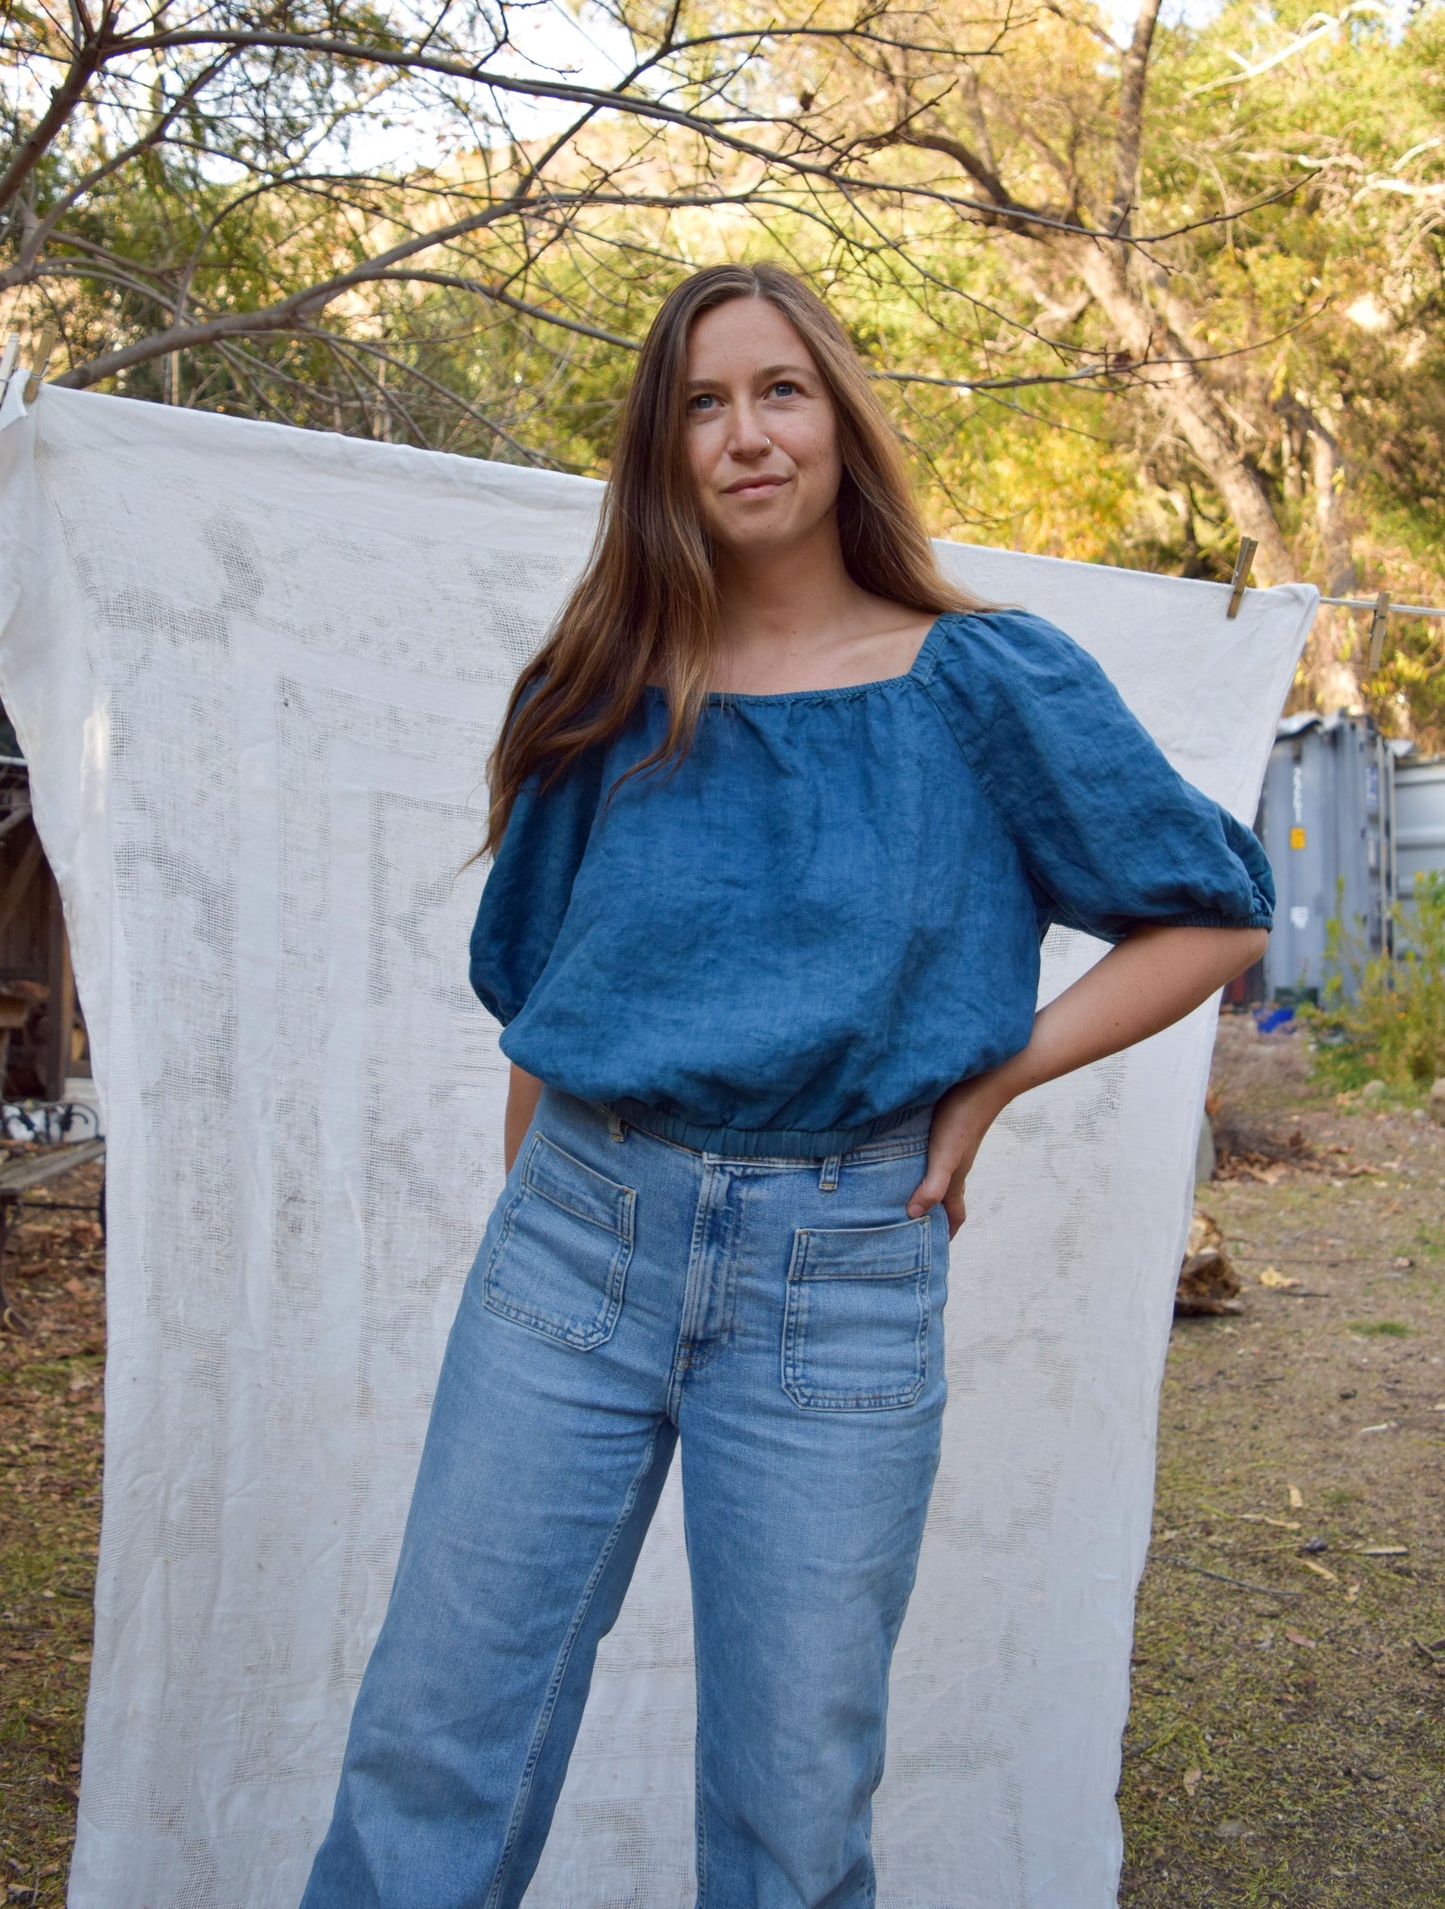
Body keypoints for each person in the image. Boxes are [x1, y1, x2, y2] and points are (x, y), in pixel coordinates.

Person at [300, 262, 1272, 1909]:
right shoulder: (596, 696)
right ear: (658, 452)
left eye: (778, 391)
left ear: (836, 421)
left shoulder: (983, 686)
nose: (742, 434)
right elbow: (540, 1015)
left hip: (839, 1275)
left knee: (793, 1804)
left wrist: (991, 1085)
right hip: (570, 1250)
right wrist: (544, 1226)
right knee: (433, 1747)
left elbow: (1210, 914)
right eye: (698, 403)